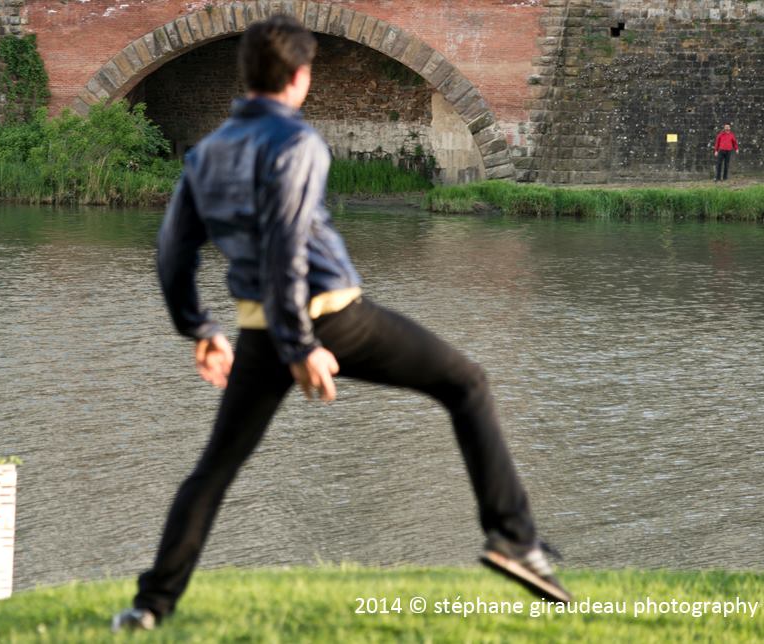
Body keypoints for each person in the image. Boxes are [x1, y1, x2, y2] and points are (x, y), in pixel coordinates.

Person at [111, 15, 572, 633]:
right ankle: (512, 538)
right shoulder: (297, 143)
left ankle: (149, 607)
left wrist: (200, 329)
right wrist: (301, 344)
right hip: (329, 319)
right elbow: (285, 245)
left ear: (245, 75)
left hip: (258, 330)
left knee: (213, 471)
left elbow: (172, 254)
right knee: (466, 383)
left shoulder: (206, 154)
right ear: (301, 78)